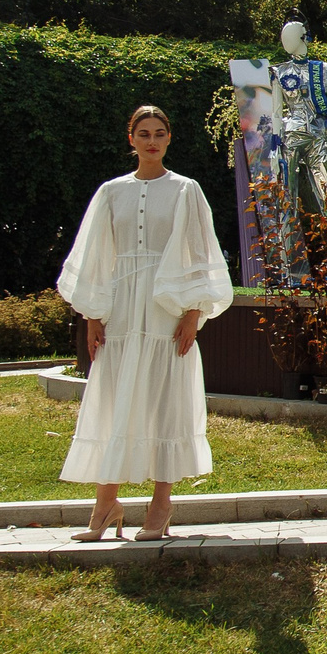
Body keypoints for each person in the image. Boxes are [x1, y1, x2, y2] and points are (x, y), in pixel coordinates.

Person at [55, 106, 234, 542]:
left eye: (159, 133)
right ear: (130, 139)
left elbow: (199, 252)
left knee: (164, 398)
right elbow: (95, 253)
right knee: (115, 398)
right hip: (120, 309)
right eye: (143, 133)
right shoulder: (110, 192)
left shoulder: (185, 190)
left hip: (165, 310)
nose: (151, 140)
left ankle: (160, 505)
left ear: (169, 138)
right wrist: (92, 315)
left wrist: (194, 311)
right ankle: (106, 503)